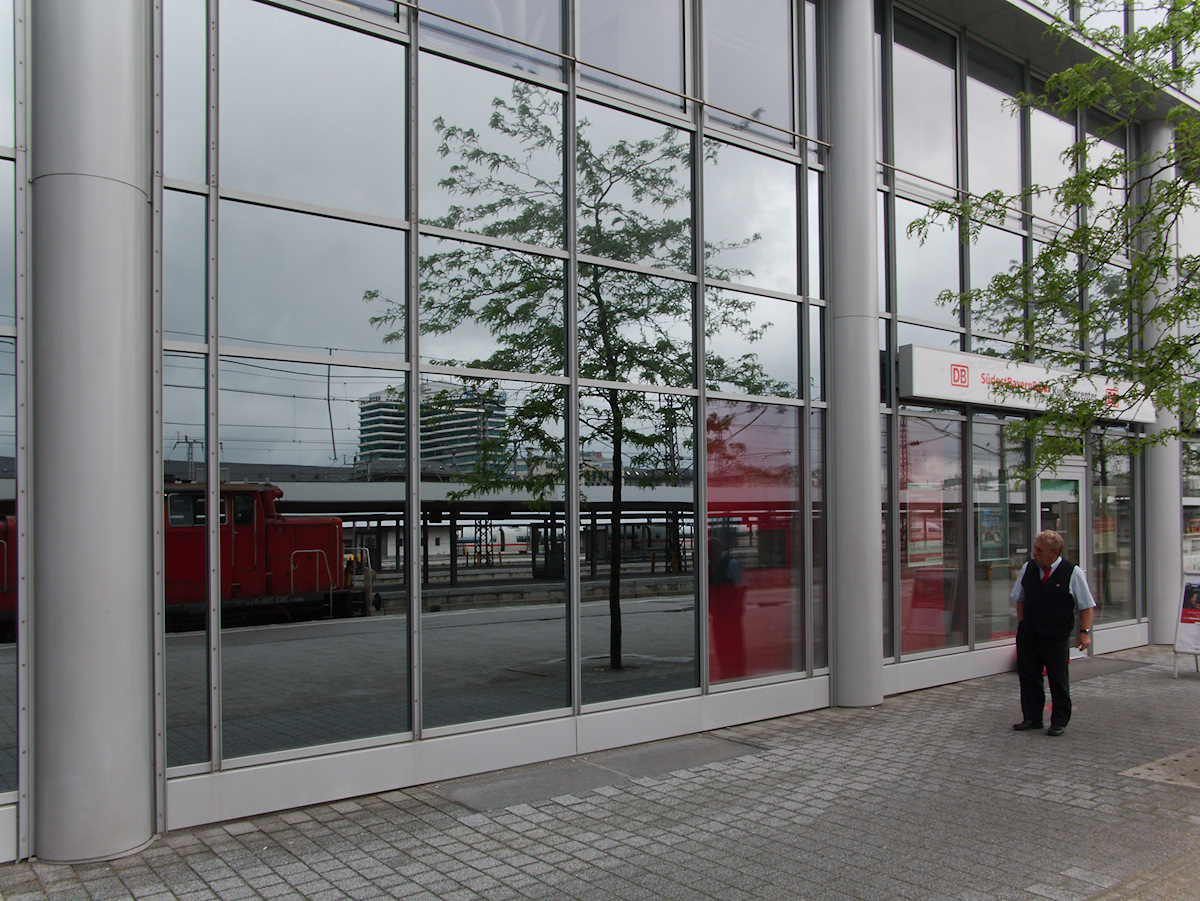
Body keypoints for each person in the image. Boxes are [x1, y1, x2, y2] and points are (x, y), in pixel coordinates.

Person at [1010, 529, 1096, 736]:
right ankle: (1032, 717)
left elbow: (1085, 605)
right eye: (1035, 548)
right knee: (1029, 677)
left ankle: (1059, 720)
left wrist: (1084, 632)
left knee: (1058, 679)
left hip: (1055, 636)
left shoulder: (1072, 572)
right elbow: (1019, 598)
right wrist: (1023, 624)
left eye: (1040, 550)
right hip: (1029, 635)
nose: (1035, 553)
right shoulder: (1028, 568)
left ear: (1054, 552)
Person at [708, 536, 746, 680]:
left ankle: (736, 672)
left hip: (730, 613)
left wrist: (736, 607)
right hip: (718, 613)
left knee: (734, 644)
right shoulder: (711, 566)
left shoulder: (732, 564)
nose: (710, 552)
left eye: (712, 549)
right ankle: (726, 671)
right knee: (721, 644)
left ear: (720, 549)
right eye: (708, 550)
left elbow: (741, 587)